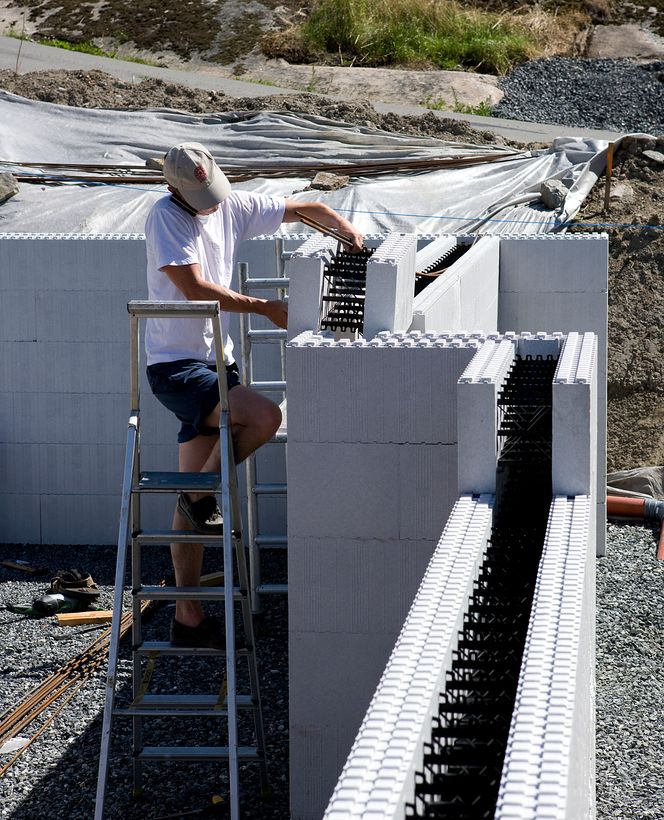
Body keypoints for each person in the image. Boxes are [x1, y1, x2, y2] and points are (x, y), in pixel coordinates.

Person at [144, 141, 364, 649]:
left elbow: (302, 208)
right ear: (174, 187)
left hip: (216, 363)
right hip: (176, 367)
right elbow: (195, 287)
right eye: (200, 194)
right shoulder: (166, 218)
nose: (212, 201)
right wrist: (264, 306)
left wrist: (340, 225)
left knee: (195, 485)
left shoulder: (230, 205)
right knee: (263, 417)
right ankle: (200, 497)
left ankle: (187, 619)